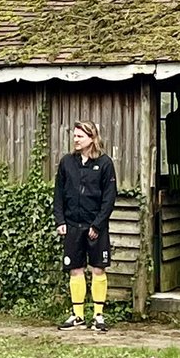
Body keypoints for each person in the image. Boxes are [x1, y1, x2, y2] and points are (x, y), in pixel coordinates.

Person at [53, 120, 117, 332]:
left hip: (95, 226)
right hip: (72, 225)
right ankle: (78, 315)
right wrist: (60, 221)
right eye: (74, 136)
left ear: (92, 138)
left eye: (80, 136)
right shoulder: (67, 162)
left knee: (98, 268)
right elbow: (59, 194)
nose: (75, 139)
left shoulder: (105, 163)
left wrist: (97, 225)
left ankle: (98, 315)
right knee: (75, 269)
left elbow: (109, 198)